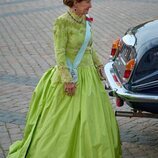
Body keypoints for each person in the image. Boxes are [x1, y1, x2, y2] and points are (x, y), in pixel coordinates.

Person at [7, 0, 122, 157]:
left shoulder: (86, 20)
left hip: (89, 77)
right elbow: (59, 53)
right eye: (87, 1)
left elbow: (89, 48)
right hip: (70, 76)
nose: (90, 5)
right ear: (75, 2)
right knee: (64, 121)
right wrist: (67, 80)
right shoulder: (62, 22)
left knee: (92, 119)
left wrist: (100, 67)